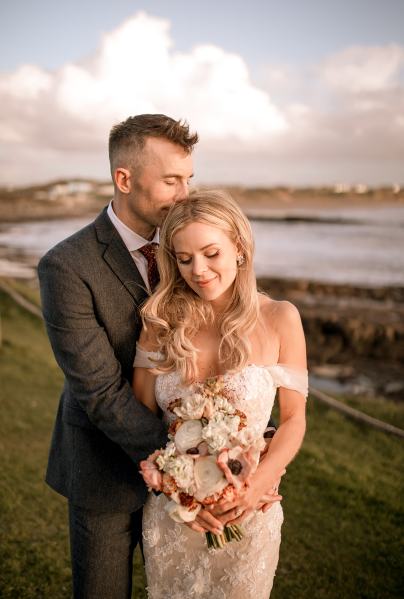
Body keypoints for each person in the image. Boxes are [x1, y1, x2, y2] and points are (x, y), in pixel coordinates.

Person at [38, 114, 206, 598]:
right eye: (172, 180)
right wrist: (189, 461)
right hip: (103, 471)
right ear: (124, 179)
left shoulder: (188, 251)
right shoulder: (65, 266)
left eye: (190, 179)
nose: (186, 194)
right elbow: (100, 392)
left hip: (193, 462)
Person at [133, 189, 308, 599]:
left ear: (240, 248)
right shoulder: (159, 321)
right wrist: (176, 492)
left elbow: (294, 418)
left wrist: (257, 484)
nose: (199, 270)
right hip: (174, 516)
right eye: (185, 258)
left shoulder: (281, 318)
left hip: (250, 510)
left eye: (212, 253)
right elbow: (140, 420)